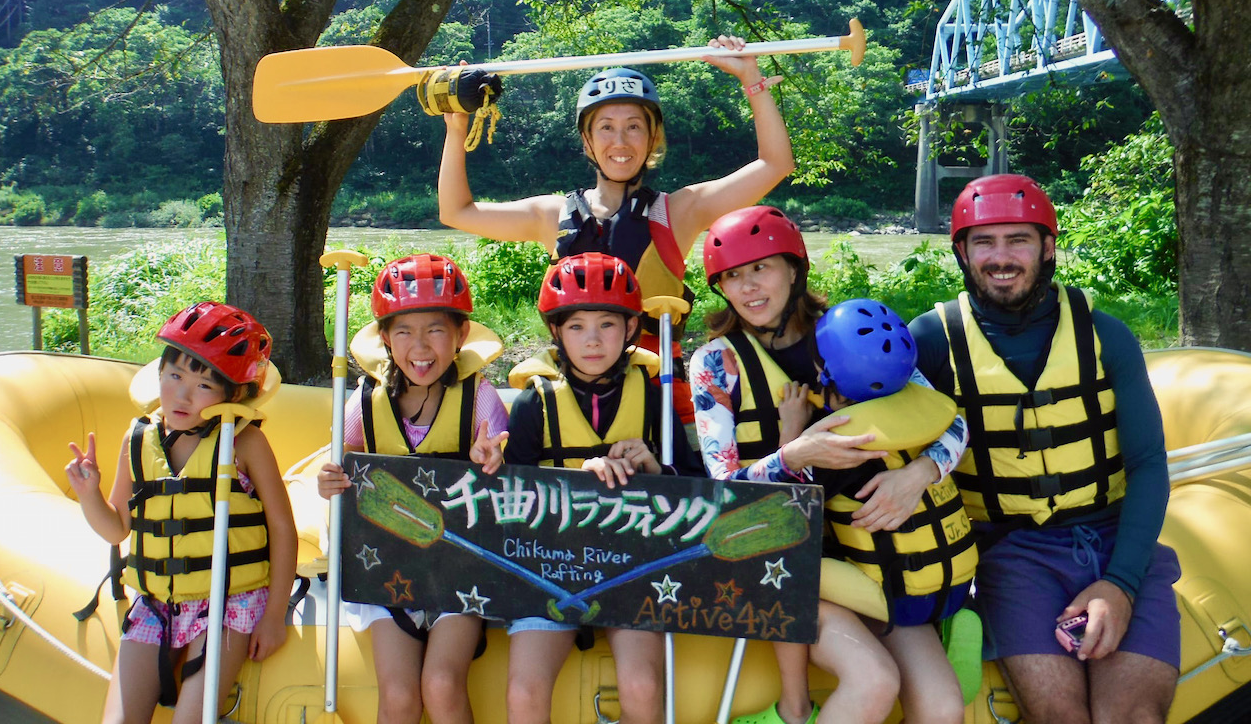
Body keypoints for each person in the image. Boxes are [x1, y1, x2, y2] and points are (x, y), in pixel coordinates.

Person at [908, 174, 1180, 724]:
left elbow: (1148, 463)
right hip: (1012, 555)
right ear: (961, 252)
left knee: (1131, 717)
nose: (1000, 257)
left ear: (1047, 246)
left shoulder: (1107, 336)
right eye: (983, 242)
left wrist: (1122, 583)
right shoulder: (932, 341)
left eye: (1018, 240)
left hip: (1115, 536)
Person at [690, 206, 974, 724]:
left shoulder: (854, 332)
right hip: (785, 567)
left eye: (761, 268)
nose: (749, 287)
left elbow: (949, 423)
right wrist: (792, 454)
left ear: (794, 269)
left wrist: (918, 475)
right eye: (732, 276)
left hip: (876, 560)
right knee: (875, 682)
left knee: (944, 708)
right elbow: (724, 488)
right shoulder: (716, 364)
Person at [439, 35, 796, 424]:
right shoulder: (552, 215)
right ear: (588, 141)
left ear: (652, 137)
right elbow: (456, 211)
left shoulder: (677, 211)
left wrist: (752, 80)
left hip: (656, 408)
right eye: (606, 127)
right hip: (571, 403)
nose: (620, 141)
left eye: (633, 127)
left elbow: (776, 163)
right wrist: (457, 128)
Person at [64, 302, 296, 724]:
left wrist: (274, 616)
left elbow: (282, 528)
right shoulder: (138, 440)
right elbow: (116, 529)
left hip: (229, 603)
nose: (183, 395)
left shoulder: (245, 445)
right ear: (159, 375)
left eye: (205, 385)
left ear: (234, 394)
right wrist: (87, 494)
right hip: (157, 603)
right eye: (175, 376)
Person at [504, 252, 703, 724]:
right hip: (548, 567)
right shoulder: (534, 405)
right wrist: (574, 484)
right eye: (576, 326)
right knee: (524, 693)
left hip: (632, 568)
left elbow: (698, 489)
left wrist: (658, 470)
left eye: (608, 325)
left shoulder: (653, 398)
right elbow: (509, 503)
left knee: (641, 684)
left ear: (631, 329)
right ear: (556, 332)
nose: (593, 340)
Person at [316, 253, 510, 724]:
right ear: (384, 338)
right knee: (400, 697)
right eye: (403, 331)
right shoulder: (363, 405)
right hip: (388, 570)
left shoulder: (481, 398)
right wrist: (329, 483)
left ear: (461, 335)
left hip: (460, 569)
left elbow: (505, 475)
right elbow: (335, 469)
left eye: (435, 330)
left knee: (441, 685)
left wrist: (493, 461)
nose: (420, 347)